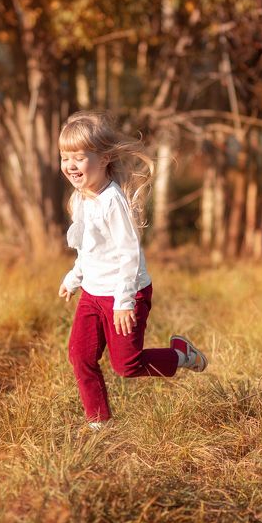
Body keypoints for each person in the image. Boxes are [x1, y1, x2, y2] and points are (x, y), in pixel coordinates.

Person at [57, 110, 208, 430]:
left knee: (126, 364)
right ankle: (99, 422)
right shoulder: (81, 197)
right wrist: (74, 277)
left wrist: (125, 302)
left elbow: (129, 255)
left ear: (104, 158)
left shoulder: (113, 202)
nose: (70, 165)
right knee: (80, 356)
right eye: (65, 157)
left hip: (125, 293)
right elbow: (88, 247)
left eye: (79, 157)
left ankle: (179, 355)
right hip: (93, 295)